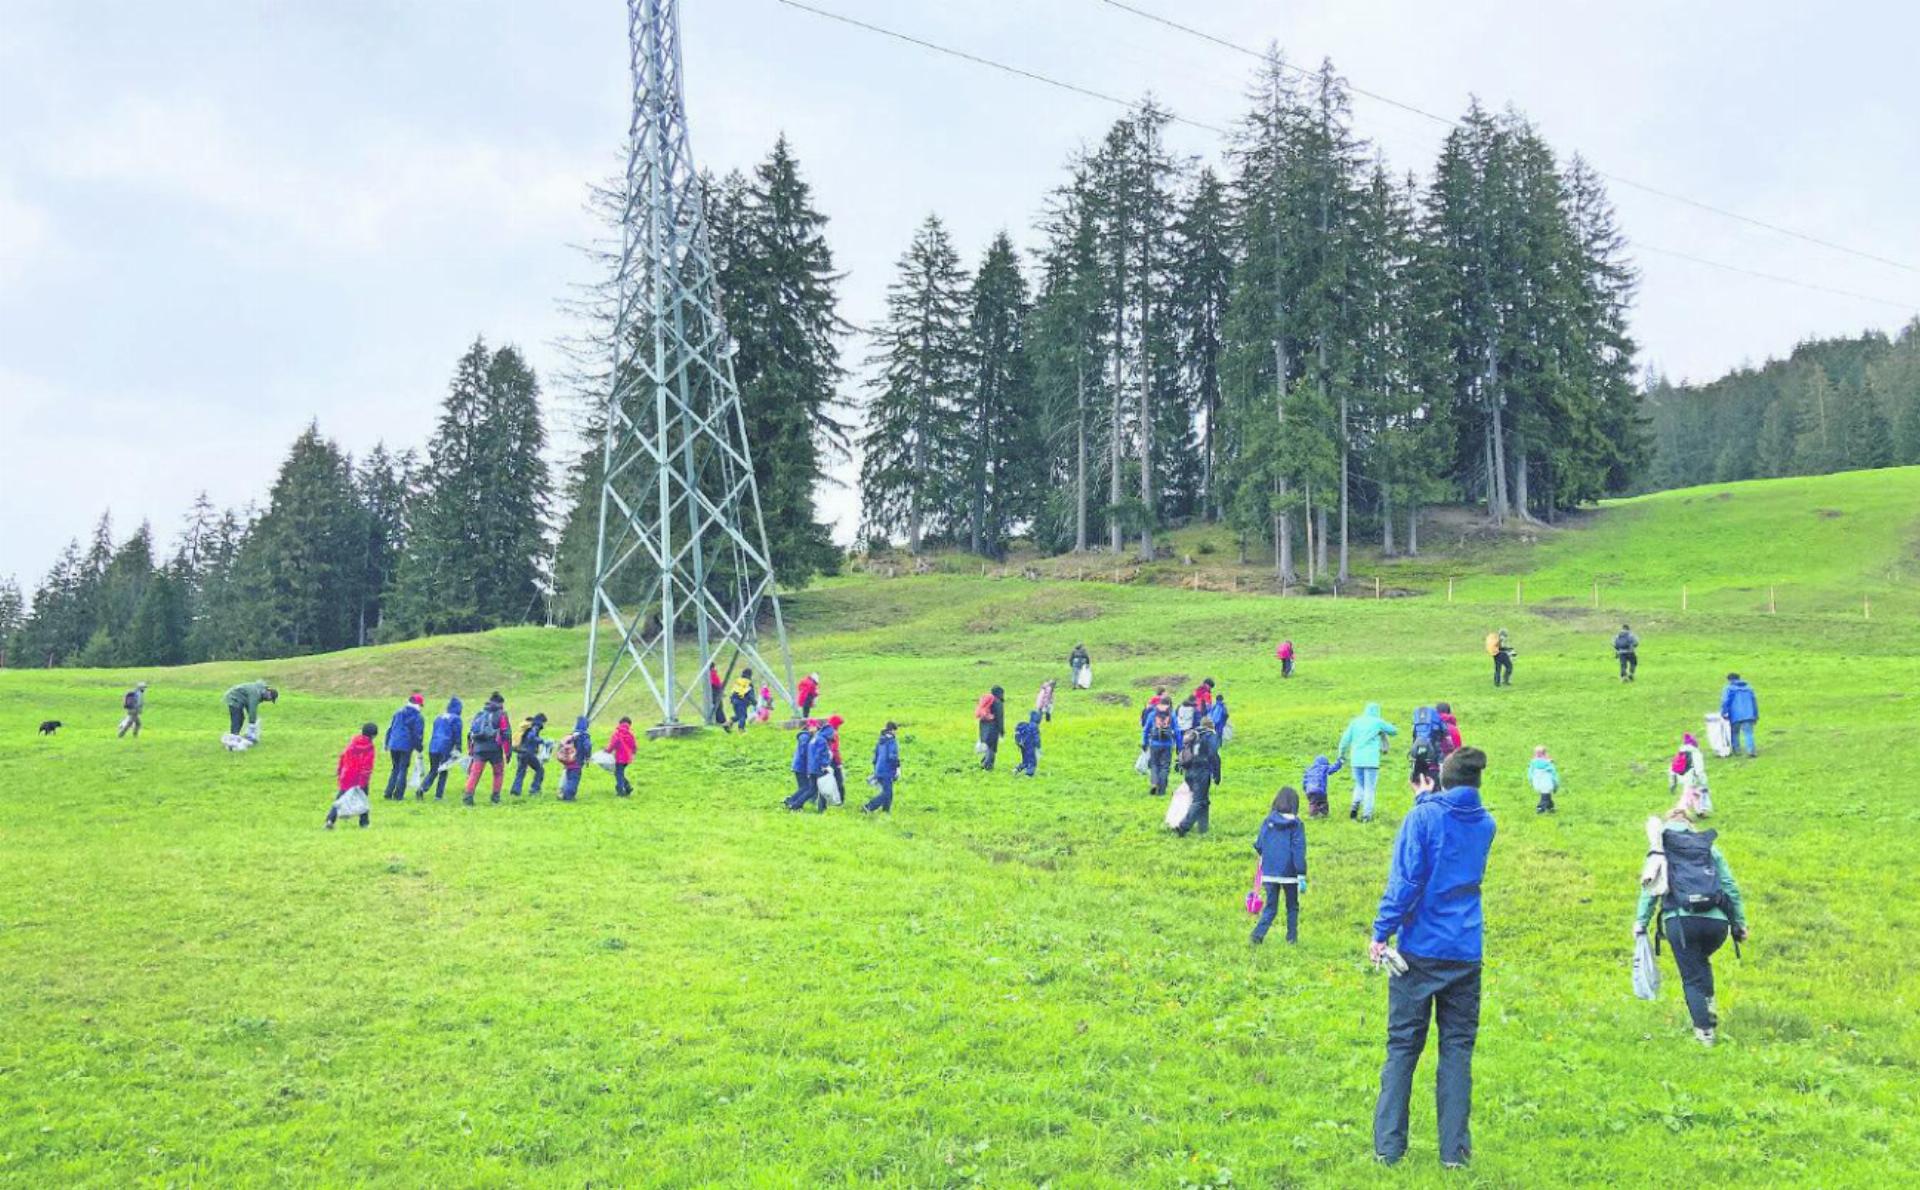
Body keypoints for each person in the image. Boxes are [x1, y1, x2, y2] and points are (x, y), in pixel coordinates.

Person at [1370, 747, 1497, 1169]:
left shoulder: (1423, 817)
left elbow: (1407, 879)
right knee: (1457, 1050)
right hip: (1464, 949)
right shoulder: (1486, 824)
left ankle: (1389, 1148)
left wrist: (1381, 931)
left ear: (1441, 780)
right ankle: (1455, 1154)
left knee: (1402, 1047)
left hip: (1419, 950)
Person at [1637, 803, 1749, 1045]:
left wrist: (1641, 922)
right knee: (1700, 962)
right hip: (1717, 923)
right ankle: (1708, 1006)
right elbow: (1729, 885)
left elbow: (1651, 888)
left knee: (1691, 976)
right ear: (1691, 824)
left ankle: (1704, 1033)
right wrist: (1739, 922)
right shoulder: (1708, 848)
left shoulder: (1661, 847)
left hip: (1681, 920)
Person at [1250, 788, 1307, 944]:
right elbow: (1298, 849)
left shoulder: (1268, 821)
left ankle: (1257, 935)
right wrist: (1301, 873)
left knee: (1271, 907)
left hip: (1269, 871)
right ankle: (1291, 939)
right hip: (1290, 873)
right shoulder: (1297, 824)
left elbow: (1259, 845)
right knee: (1292, 906)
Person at [1337, 703, 1398, 823]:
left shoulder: (1355, 722)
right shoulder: (1377, 722)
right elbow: (1394, 731)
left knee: (1359, 785)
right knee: (1369, 788)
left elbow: (1345, 740)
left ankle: (1354, 807)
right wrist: (1381, 731)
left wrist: (1341, 755)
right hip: (1371, 760)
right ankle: (1366, 816)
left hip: (1356, 760)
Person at [326, 722, 378, 830]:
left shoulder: (353, 743)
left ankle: (330, 820)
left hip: (347, 775)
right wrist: (364, 781)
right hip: (360, 778)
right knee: (363, 799)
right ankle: (364, 823)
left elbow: (343, 757)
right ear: (373, 735)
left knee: (340, 799)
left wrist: (340, 771)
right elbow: (367, 765)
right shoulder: (370, 748)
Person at [1174, 719, 1220, 836]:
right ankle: (1183, 826)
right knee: (1199, 801)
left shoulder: (1193, 733)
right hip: (1201, 771)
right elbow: (1213, 755)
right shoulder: (1210, 736)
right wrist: (1216, 774)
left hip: (1188, 772)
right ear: (1212, 727)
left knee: (1203, 800)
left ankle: (1203, 828)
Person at [463, 693, 510, 805]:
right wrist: (507, 753)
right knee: (498, 773)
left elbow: (471, 733)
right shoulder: (501, 714)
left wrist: (471, 750)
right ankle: (495, 798)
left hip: (479, 749)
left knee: (475, 773)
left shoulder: (479, 714)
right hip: (495, 749)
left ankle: (468, 798)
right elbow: (506, 734)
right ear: (500, 703)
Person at [382, 693, 426, 801]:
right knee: (403, 769)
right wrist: (419, 747)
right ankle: (398, 795)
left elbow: (390, 728)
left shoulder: (398, 712)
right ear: (418, 704)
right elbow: (417, 734)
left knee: (395, 768)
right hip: (406, 745)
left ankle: (388, 792)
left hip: (393, 743)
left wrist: (387, 743)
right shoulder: (418, 717)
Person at [425, 697, 463, 800]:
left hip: (433, 746)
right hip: (445, 747)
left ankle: (422, 788)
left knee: (433, 769)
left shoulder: (439, 717)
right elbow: (457, 734)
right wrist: (458, 748)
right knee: (443, 771)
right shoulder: (456, 719)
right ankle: (438, 795)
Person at [863, 721, 902, 813]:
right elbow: (892, 757)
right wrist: (897, 768)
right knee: (887, 793)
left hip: (879, 769)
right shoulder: (892, 741)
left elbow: (875, 758)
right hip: (887, 770)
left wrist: (876, 770)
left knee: (888, 792)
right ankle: (869, 807)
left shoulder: (880, 741)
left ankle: (886, 811)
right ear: (892, 730)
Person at [1669, 732, 1712, 816]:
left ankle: (1700, 812)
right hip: (1692, 777)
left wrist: (1672, 783)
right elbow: (1699, 769)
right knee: (1688, 795)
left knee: (1695, 793)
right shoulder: (1695, 753)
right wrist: (1703, 781)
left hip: (1681, 776)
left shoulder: (1680, 753)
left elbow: (1672, 768)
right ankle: (1679, 813)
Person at [1142, 702, 1179, 798]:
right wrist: (1179, 745)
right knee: (1165, 767)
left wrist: (1144, 742)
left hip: (1154, 744)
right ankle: (1161, 790)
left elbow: (1146, 729)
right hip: (1167, 744)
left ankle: (1154, 783)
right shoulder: (1171, 715)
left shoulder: (1153, 714)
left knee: (1154, 765)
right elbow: (1177, 731)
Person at [784, 721, 821, 810]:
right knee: (806, 787)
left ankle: (791, 801)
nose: (817, 730)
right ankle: (793, 802)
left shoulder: (807, 736)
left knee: (804, 787)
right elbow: (804, 752)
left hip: (801, 766)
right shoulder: (805, 737)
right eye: (816, 727)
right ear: (810, 727)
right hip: (801, 766)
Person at [1720, 674, 1759, 758]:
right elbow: (1754, 702)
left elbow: (1725, 701)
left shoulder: (1728, 688)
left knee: (1734, 733)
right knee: (1748, 733)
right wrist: (1755, 715)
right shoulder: (1749, 688)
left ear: (1729, 680)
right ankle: (1751, 751)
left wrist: (1723, 712)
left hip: (1734, 714)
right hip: (1749, 714)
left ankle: (1737, 751)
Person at [510, 713, 548, 796]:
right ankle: (534, 789)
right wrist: (542, 740)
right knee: (540, 770)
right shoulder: (535, 726)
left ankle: (515, 791)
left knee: (520, 772)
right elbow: (531, 737)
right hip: (528, 753)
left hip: (520, 751)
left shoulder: (527, 726)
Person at [557, 716, 592, 802]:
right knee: (574, 780)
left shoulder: (572, 735)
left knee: (569, 778)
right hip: (577, 762)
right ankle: (569, 796)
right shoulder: (584, 736)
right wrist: (587, 757)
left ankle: (564, 794)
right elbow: (587, 746)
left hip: (568, 761)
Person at [1302, 754, 1344, 818]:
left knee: (1313, 803)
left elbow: (1304, 781)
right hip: (1319, 789)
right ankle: (1324, 814)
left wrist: (1305, 789)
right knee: (1323, 802)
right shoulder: (1323, 767)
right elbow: (1333, 768)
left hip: (1309, 790)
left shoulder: (1309, 769)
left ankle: (1313, 815)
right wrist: (1339, 762)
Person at [976, 686, 1005, 771]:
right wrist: (1001, 731)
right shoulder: (998, 702)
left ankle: (984, 762)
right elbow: (1000, 718)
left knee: (988, 745)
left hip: (984, 725)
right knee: (992, 747)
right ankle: (988, 765)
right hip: (993, 727)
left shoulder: (990, 701)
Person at [609, 716, 638, 797]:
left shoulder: (617, 733)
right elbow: (634, 746)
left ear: (620, 723)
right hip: (627, 758)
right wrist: (633, 754)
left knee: (618, 774)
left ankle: (621, 791)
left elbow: (613, 744)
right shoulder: (630, 734)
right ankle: (627, 787)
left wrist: (607, 751)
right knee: (619, 773)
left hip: (619, 758)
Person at [1528, 745, 1560, 814]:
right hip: (1547, 783)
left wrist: (1531, 781)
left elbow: (1530, 774)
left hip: (1537, 783)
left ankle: (1550, 807)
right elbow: (1554, 775)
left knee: (1546, 795)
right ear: (1545, 754)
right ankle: (1540, 808)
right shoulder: (1549, 764)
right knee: (1545, 795)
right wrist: (1556, 784)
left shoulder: (1533, 764)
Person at [823, 714, 847, 796]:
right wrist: (839, 762)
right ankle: (840, 799)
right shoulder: (834, 733)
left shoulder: (823, 731)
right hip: (833, 760)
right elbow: (835, 750)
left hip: (824, 759)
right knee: (839, 780)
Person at [1014, 710, 1042, 776]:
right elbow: (1036, 737)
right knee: (1032, 761)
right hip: (1030, 746)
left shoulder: (1028, 725)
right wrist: (1038, 746)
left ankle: (1017, 769)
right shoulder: (1034, 726)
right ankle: (1029, 774)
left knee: (1025, 759)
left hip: (1022, 745)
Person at [706, 662, 726, 728]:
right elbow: (717, 683)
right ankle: (722, 721)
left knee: (716, 707)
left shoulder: (707, 674)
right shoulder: (712, 673)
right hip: (715, 692)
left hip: (711, 693)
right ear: (713, 667)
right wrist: (721, 687)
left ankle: (718, 720)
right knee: (719, 707)